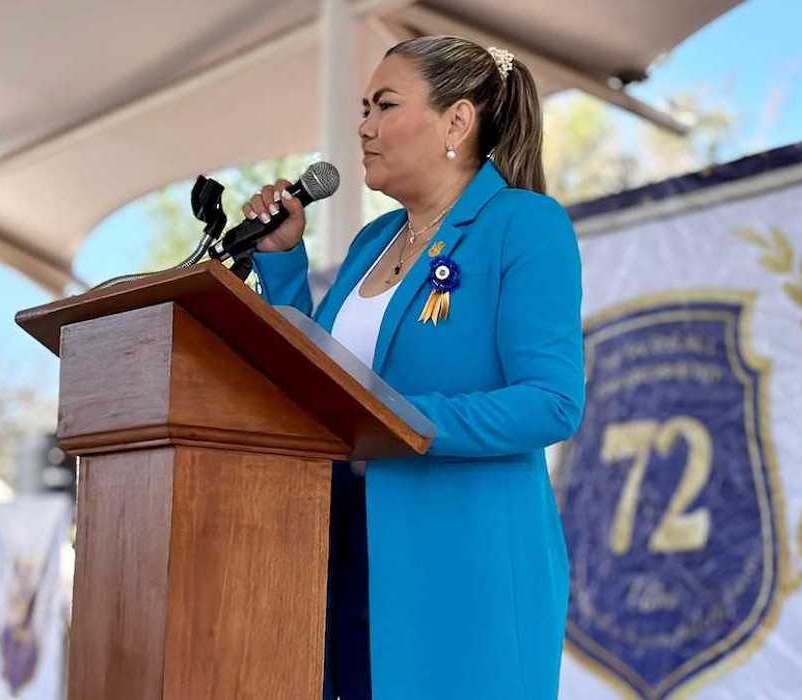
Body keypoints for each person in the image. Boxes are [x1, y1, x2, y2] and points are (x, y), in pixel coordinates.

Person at [246, 35, 585, 700]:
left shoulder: (523, 224)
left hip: (464, 561)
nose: (363, 127)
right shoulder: (373, 240)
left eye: (383, 105)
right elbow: (316, 375)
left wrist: (393, 419)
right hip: (346, 543)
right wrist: (283, 260)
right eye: (362, 107)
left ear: (455, 121)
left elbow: (550, 401)